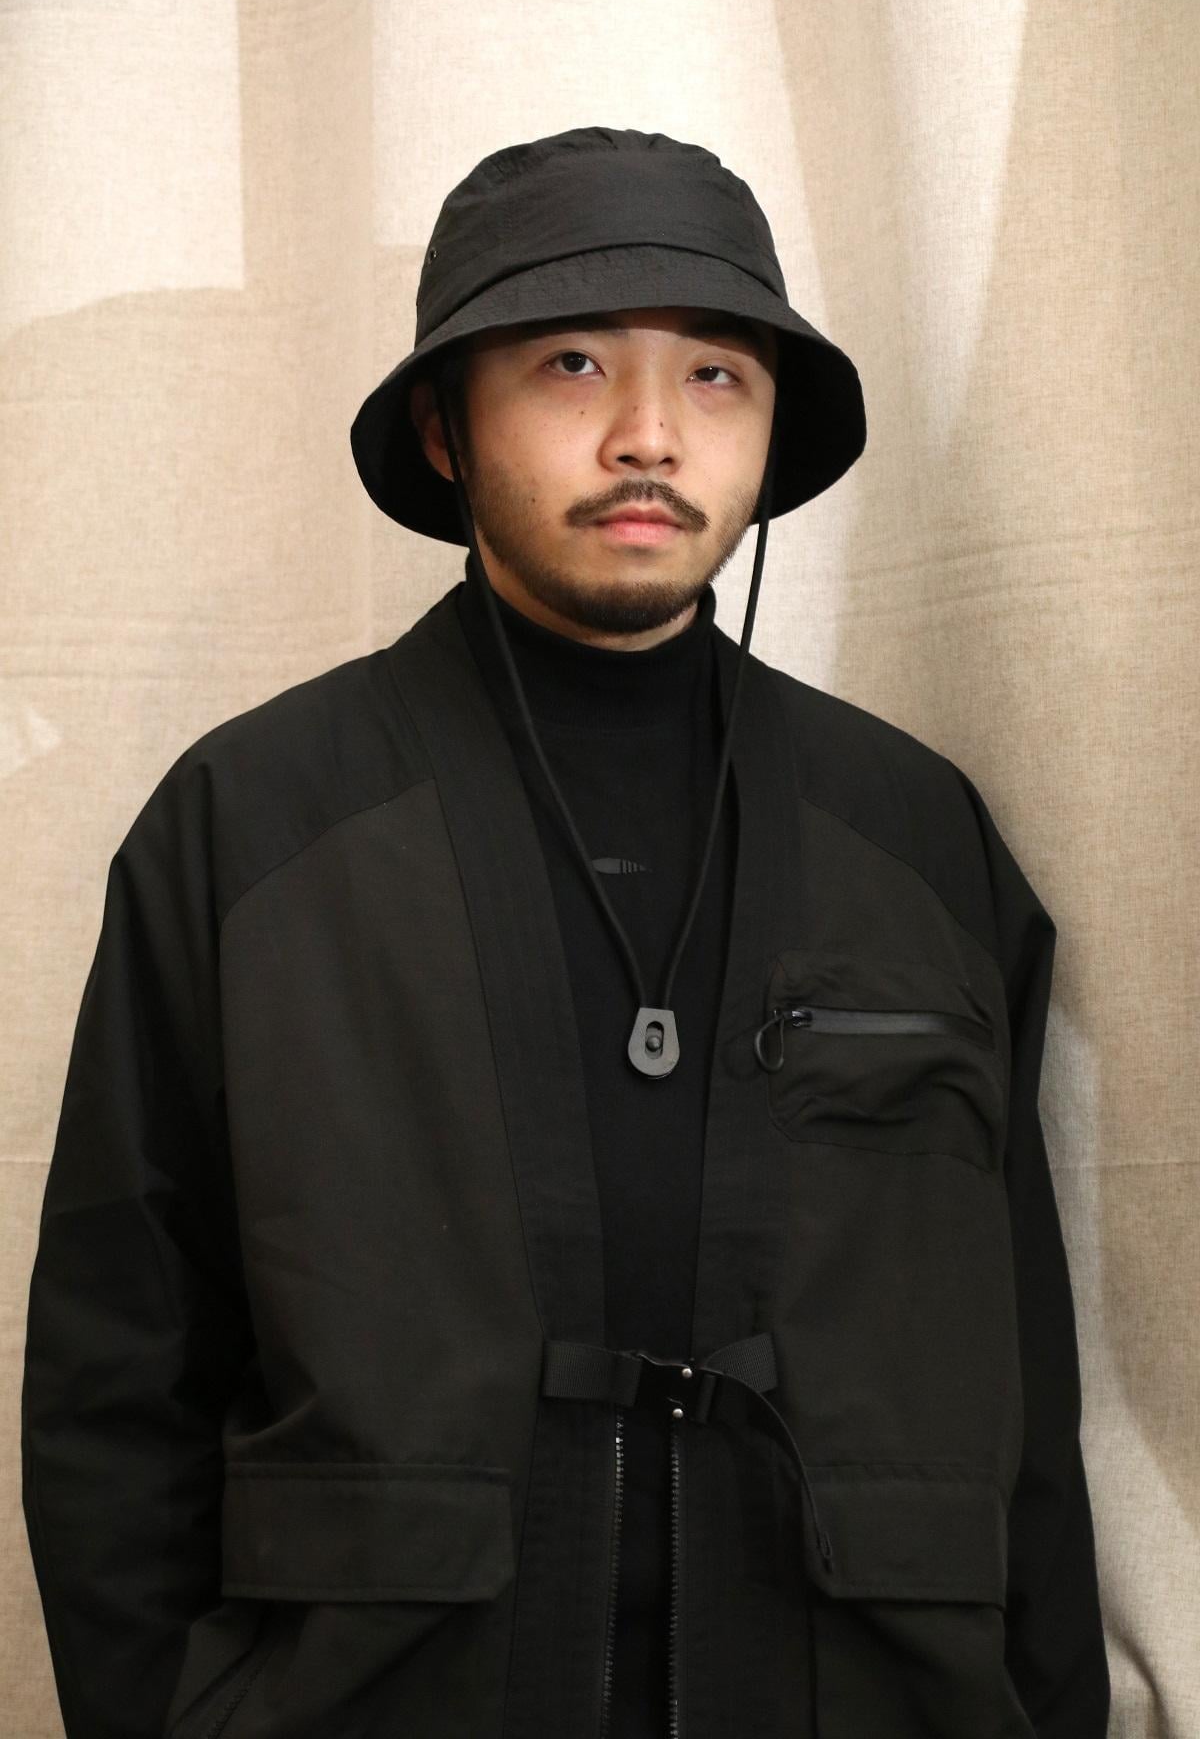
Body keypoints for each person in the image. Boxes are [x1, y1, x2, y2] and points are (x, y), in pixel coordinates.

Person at [20, 126, 1110, 1739]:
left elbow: (1018, 1385)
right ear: (445, 428)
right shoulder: (251, 831)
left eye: (716, 375)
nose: (648, 434)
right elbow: (114, 1383)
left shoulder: (917, 843)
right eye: (573, 364)